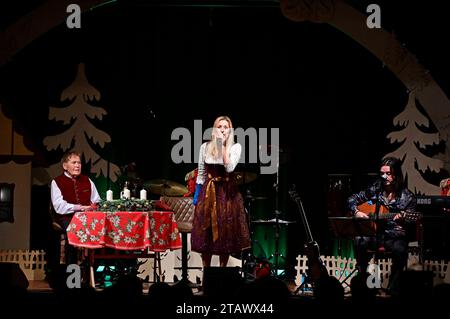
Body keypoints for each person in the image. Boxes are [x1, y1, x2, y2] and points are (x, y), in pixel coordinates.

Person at [347, 156, 417, 295]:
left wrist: (402, 219)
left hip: (394, 236)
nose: (384, 176)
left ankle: (393, 286)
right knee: (359, 241)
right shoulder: (375, 188)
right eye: (382, 173)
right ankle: (363, 281)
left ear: (396, 174)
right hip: (374, 233)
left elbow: (411, 220)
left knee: (400, 249)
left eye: (388, 173)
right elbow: (352, 199)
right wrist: (356, 211)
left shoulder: (407, 197)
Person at [191, 116, 251, 268]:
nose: (223, 129)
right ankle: (207, 274)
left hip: (227, 194)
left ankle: (222, 274)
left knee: (226, 234)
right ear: (214, 129)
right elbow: (201, 174)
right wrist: (196, 199)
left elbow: (229, 168)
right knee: (207, 233)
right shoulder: (205, 147)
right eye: (220, 126)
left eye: (226, 127)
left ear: (230, 130)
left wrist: (222, 146)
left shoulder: (235, 147)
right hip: (209, 193)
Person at [50, 150, 101, 265]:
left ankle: (92, 265)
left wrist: (94, 206)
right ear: (65, 166)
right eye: (74, 163)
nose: (77, 165)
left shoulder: (87, 180)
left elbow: (96, 200)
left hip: (88, 216)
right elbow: (59, 206)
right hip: (67, 216)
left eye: (79, 163)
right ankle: (72, 268)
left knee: (100, 227)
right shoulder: (57, 182)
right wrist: (80, 207)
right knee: (74, 230)